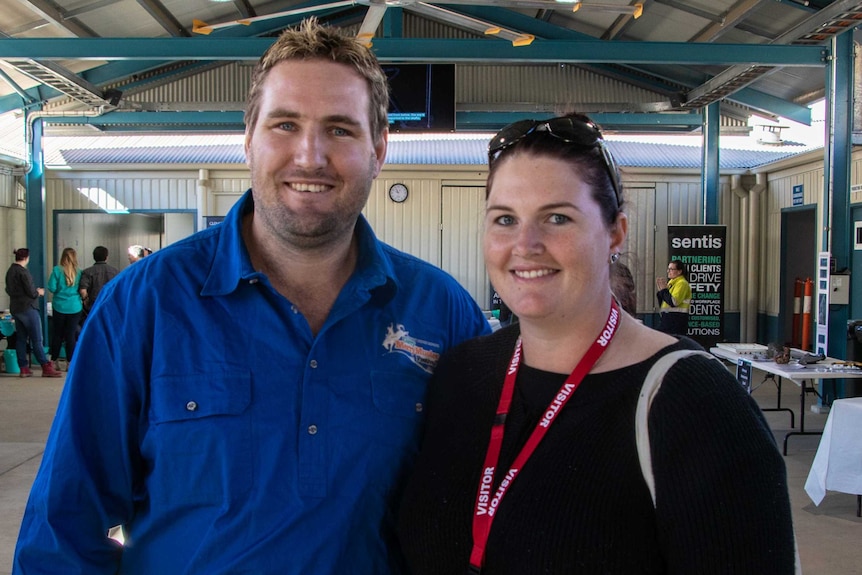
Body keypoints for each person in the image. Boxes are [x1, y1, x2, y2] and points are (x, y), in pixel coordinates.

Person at [13, 17, 490, 575]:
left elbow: (489, 506)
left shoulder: (442, 312)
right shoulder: (143, 306)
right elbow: (65, 527)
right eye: (285, 125)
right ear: (248, 139)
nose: (310, 156)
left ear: (379, 149)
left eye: (341, 129)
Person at [397, 114, 796, 574]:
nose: (525, 244)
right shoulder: (461, 375)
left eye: (557, 218)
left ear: (615, 233)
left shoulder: (695, 405)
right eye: (505, 219)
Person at [4, 249, 62, 378]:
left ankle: (23, 368)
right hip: (28, 308)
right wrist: (39, 292)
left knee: (21, 338)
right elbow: (31, 292)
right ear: (26, 258)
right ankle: (45, 366)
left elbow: (8, 289)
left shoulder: (10, 271)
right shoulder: (24, 272)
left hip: (16, 308)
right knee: (37, 339)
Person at [47, 247, 83, 367]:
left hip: (59, 306)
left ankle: (54, 360)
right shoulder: (79, 272)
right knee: (70, 335)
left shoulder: (57, 270)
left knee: (57, 334)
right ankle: (70, 362)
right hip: (75, 306)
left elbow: (51, 287)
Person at [78, 245, 119, 323]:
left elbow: (83, 290)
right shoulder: (115, 272)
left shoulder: (87, 272)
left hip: (93, 306)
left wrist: (85, 300)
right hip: (109, 305)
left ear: (94, 257)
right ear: (106, 257)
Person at [656, 258, 691, 335]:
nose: (668, 271)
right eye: (668, 269)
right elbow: (664, 302)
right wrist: (660, 292)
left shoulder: (682, 283)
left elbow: (673, 302)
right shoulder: (671, 283)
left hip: (676, 321)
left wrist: (664, 291)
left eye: (671, 269)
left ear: (679, 271)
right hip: (667, 320)